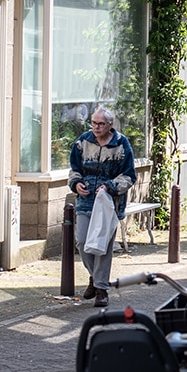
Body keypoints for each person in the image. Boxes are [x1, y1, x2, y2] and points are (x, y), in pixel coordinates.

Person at [68, 105, 137, 308]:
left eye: (100, 124)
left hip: (109, 202)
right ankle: (94, 277)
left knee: (104, 246)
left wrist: (110, 187)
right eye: (94, 123)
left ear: (110, 125)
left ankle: (101, 289)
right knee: (82, 240)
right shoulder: (82, 142)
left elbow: (129, 175)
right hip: (86, 199)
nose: (96, 127)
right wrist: (76, 183)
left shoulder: (122, 144)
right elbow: (74, 169)